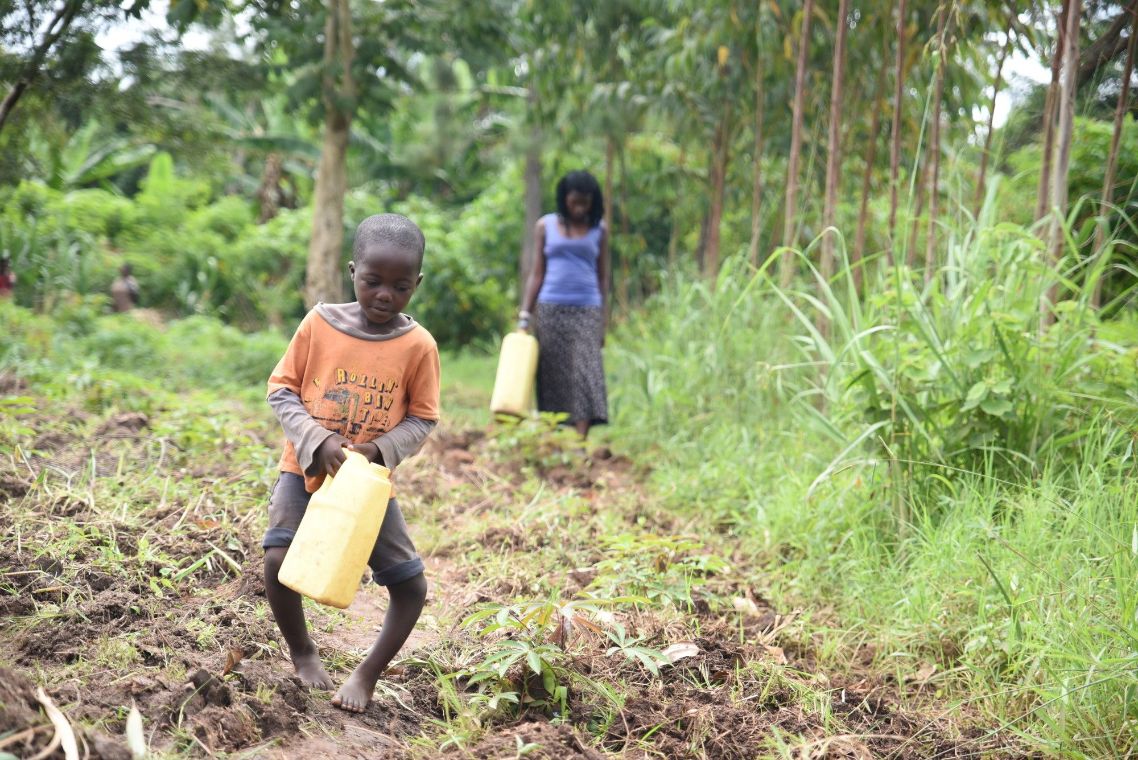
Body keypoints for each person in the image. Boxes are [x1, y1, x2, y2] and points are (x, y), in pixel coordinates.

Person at [261, 213, 440, 714]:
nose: (385, 294)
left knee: (410, 585)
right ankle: (303, 653)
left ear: (417, 284)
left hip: (367, 486)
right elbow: (282, 389)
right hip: (306, 467)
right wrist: (317, 440)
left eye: (400, 286)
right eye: (372, 281)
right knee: (278, 560)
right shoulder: (319, 323)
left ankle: (367, 673)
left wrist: (378, 451)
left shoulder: (418, 346)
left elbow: (423, 418)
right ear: (352, 271)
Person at [518, 170, 610, 438]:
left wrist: (603, 320)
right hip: (550, 308)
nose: (580, 208)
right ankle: (556, 434)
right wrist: (525, 314)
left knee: (585, 370)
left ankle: (580, 439)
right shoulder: (545, 226)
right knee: (553, 372)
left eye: (585, 202)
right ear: (564, 199)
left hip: (588, 308)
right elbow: (537, 273)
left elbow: (603, 276)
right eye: (575, 202)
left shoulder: (600, 229)